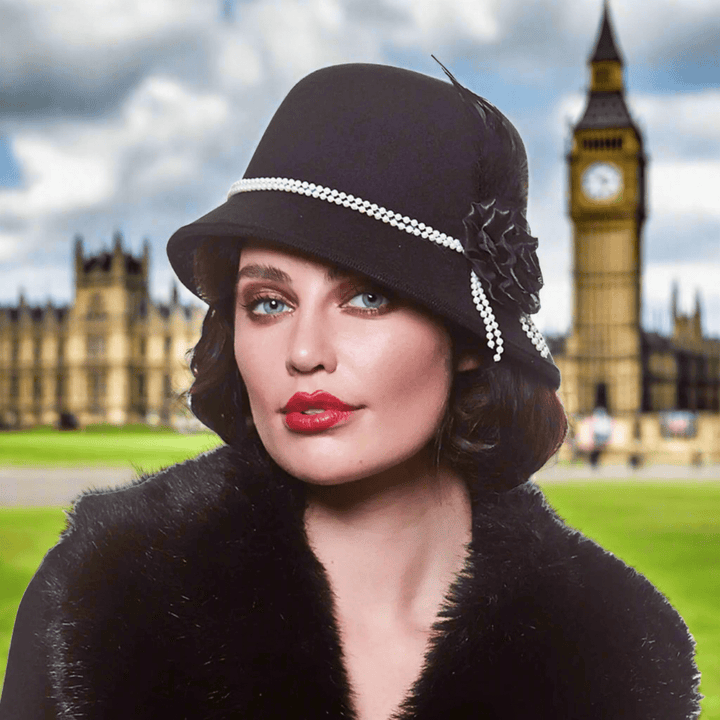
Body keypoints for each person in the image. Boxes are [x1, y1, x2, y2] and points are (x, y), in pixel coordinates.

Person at [1, 63, 700, 720]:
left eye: (368, 297)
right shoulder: (93, 600)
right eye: (269, 303)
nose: (304, 353)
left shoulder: (620, 648)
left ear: (464, 336)